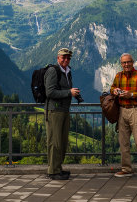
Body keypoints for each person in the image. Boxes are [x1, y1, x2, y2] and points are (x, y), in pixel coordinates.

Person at [111, 53, 137, 180]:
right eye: (124, 63)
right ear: (121, 64)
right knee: (123, 141)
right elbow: (112, 87)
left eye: (128, 62)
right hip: (122, 111)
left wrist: (132, 95)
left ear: (132, 62)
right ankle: (126, 169)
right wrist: (115, 91)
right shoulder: (118, 76)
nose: (126, 64)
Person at [44, 48, 80, 180]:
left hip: (64, 110)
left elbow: (64, 89)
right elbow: (50, 92)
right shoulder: (53, 71)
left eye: (68, 58)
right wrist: (69, 92)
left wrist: (73, 94)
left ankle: (58, 168)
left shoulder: (67, 71)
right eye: (63, 57)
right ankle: (52, 171)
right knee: (55, 141)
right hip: (54, 111)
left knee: (63, 142)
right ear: (58, 58)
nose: (66, 60)